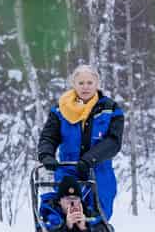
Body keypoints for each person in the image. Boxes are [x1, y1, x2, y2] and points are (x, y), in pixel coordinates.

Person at [38, 64, 124, 220]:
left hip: (99, 171)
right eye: (81, 83)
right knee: (68, 214)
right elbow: (49, 137)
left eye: (90, 83)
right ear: (74, 84)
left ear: (97, 84)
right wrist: (46, 155)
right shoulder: (60, 110)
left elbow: (113, 141)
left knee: (99, 216)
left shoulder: (110, 109)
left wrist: (89, 159)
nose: (86, 87)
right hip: (68, 170)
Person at [35, 176, 112, 232]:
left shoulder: (92, 217)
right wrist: (66, 228)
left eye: (75, 198)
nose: (72, 203)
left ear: (80, 200)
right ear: (59, 201)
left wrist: (84, 230)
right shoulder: (49, 219)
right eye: (67, 199)